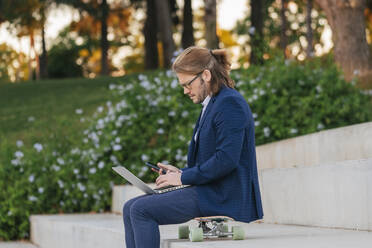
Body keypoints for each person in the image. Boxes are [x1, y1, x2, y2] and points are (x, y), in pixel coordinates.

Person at [123, 46, 263, 248]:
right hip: (210, 189)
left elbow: (226, 160)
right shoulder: (213, 103)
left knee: (140, 210)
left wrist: (181, 178)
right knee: (130, 207)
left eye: (187, 84)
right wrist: (181, 172)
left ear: (205, 75)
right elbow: (210, 161)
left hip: (223, 195)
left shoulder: (230, 103)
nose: (185, 91)